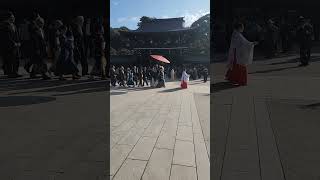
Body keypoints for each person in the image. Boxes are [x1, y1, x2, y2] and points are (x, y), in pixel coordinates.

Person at [0, 11, 22, 78]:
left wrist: (18, 42)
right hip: (9, 46)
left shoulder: (14, 25)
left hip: (16, 45)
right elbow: (6, 37)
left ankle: (15, 72)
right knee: (10, 60)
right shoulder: (4, 25)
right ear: (9, 18)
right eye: (12, 17)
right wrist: (13, 43)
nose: (14, 18)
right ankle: (10, 73)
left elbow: (16, 35)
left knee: (17, 59)